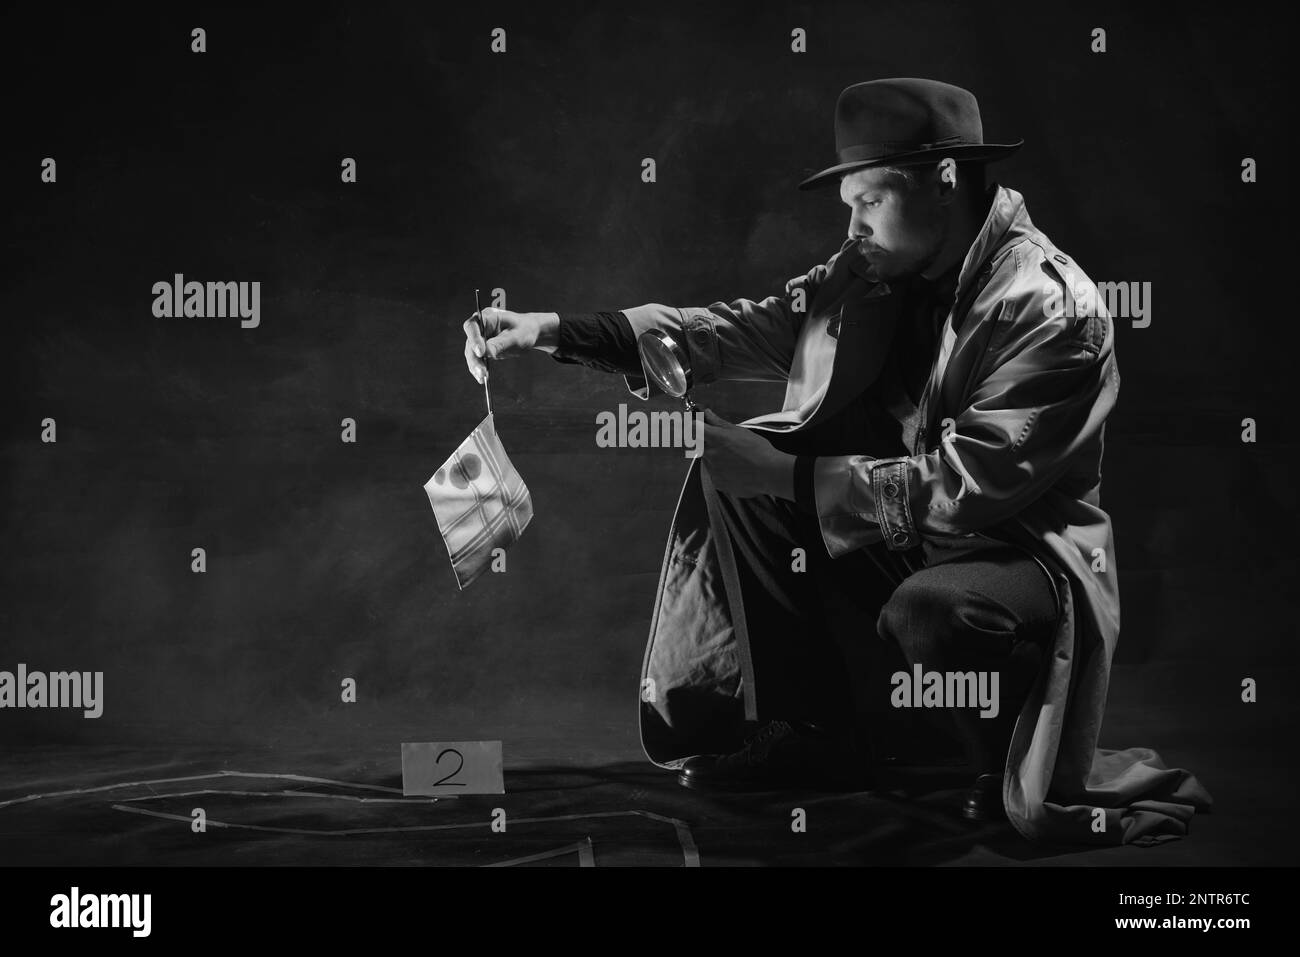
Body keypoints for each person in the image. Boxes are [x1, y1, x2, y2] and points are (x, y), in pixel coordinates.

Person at [461, 78, 1212, 845]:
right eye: (848, 205)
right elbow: (736, 331)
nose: (851, 225)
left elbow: (967, 488)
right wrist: (552, 330)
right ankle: (817, 734)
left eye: (869, 202)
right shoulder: (871, 271)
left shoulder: (1051, 305)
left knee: (928, 604)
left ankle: (994, 762)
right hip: (900, 540)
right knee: (743, 471)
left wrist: (788, 476)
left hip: (1018, 562)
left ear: (945, 180)